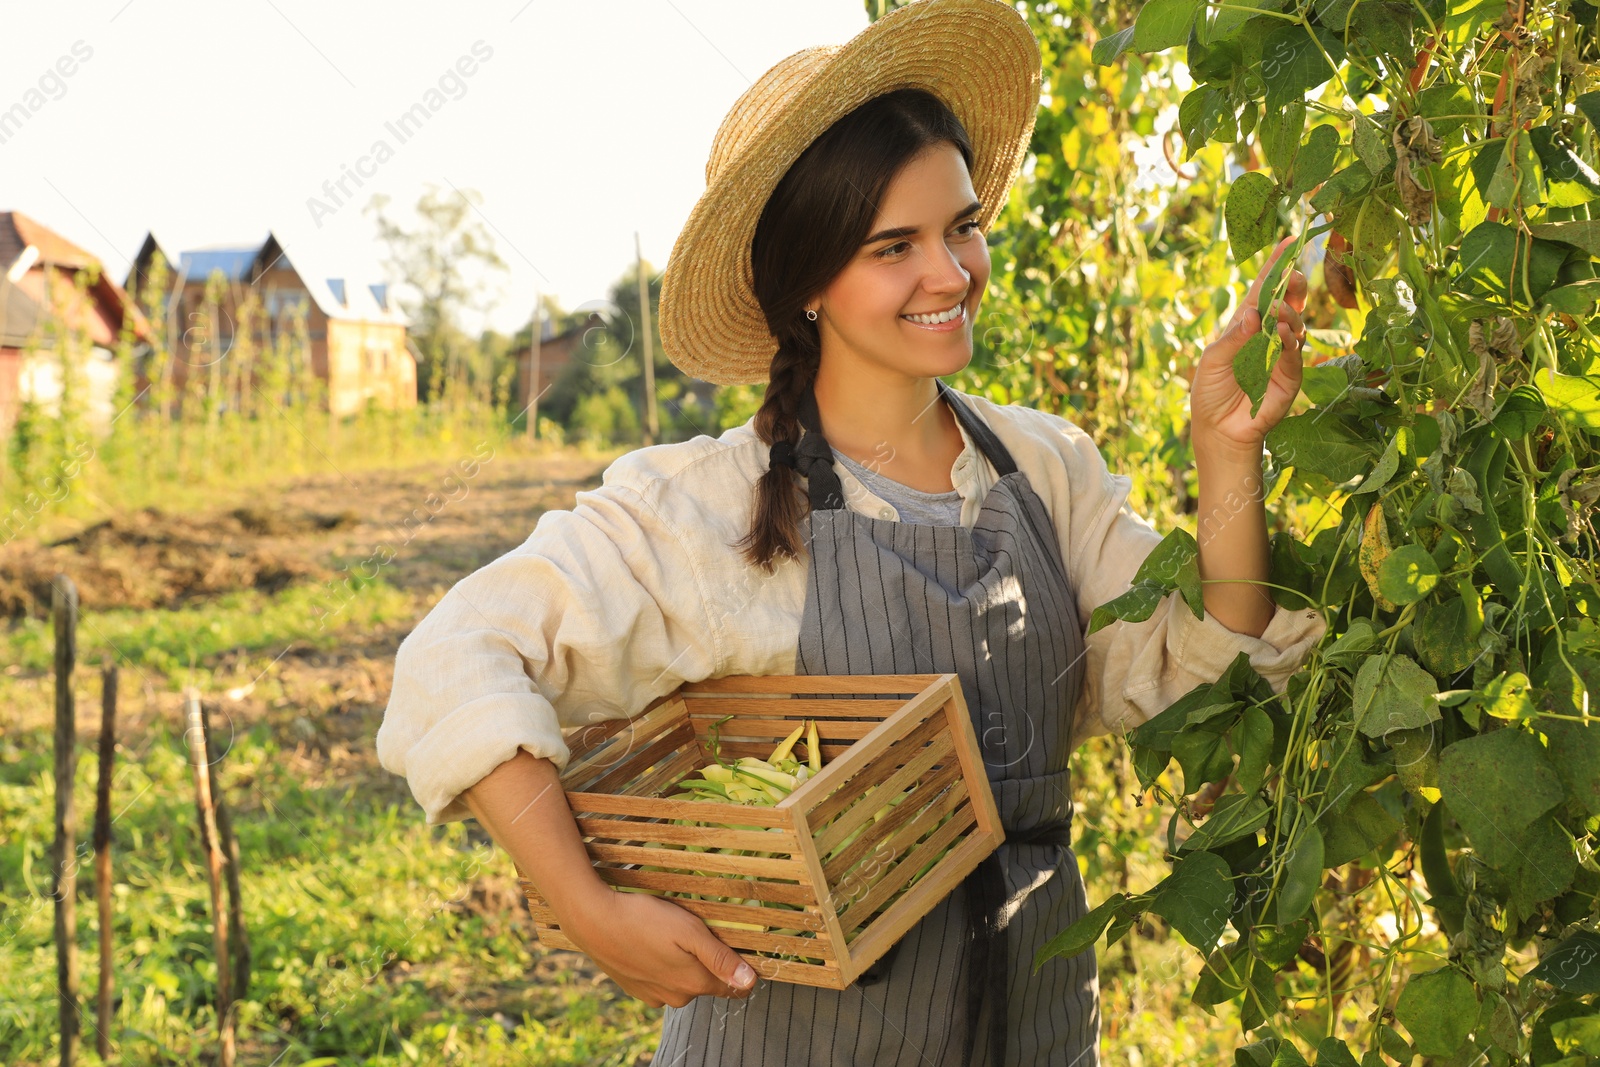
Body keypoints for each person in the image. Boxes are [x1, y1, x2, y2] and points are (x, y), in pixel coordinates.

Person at [376, 1, 1327, 1063]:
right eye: (893, 246)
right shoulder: (710, 503)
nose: (950, 273)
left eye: (962, 226)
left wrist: (1226, 452)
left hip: (1039, 1028)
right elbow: (453, 657)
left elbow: (1210, 672)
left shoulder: (1041, 468)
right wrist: (590, 911)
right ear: (808, 287)